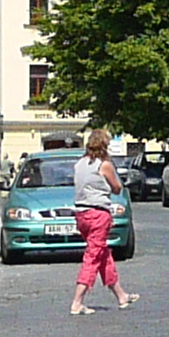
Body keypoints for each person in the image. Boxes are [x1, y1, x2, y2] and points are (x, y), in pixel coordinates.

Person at [67, 129, 135, 315]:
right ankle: (77, 302)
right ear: (104, 145)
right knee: (93, 256)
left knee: (102, 253)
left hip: (81, 214)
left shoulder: (79, 164)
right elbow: (117, 187)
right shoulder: (104, 165)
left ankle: (121, 295)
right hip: (98, 214)